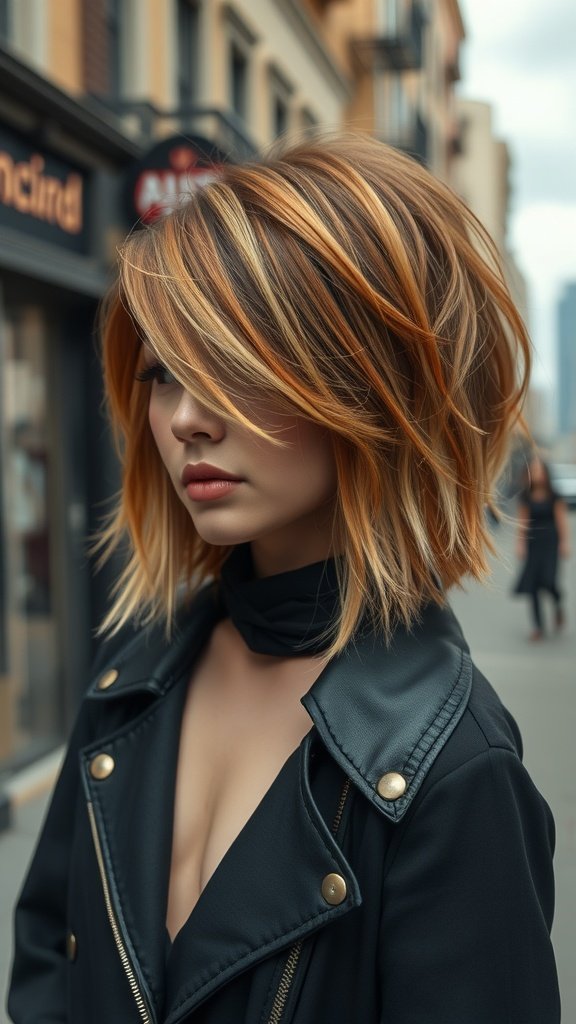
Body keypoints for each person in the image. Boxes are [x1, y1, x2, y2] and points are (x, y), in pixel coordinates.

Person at [8, 135, 560, 1023]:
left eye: (237, 365)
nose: (186, 419)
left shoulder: (454, 768)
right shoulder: (134, 679)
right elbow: (47, 965)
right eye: (164, 374)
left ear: (372, 384)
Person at [514, 455, 570, 640]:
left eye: (539, 470)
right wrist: (520, 544)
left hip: (550, 542)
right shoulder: (525, 496)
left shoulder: (555, 496)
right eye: (533, 470)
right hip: (533, 543)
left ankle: (558, 603)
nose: (536, 474)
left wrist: (564, 543)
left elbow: (561, 522)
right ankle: (538, 627)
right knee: (533, 585)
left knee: (549, 580)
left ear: (546, 473)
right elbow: (523, 523)